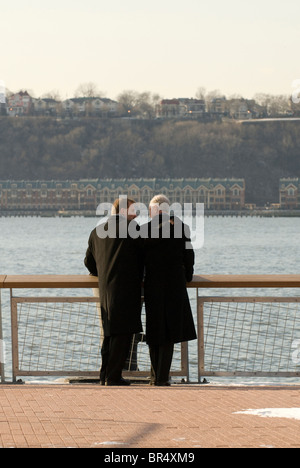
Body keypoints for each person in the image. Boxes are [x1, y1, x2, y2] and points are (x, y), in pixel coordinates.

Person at [84, 197, 144, 386]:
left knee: (109, 333)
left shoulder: (96, 231)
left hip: (105, 289)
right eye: (135, 211)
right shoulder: (133, 230)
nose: (136, 216)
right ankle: (113, 376)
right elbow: (143, 258)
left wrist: (101, 272)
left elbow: (88, 262)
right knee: (123, 334)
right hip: (126, 288)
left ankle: (104, 375)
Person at [143, 194, 197, 386]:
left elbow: (139, 260)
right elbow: (189, 256)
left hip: (152, 285)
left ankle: (154, 375)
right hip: (174, 285)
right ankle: (163, 377)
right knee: (169, 331)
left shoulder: (144, 230)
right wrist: (188, 276)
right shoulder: (182, 228)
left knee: (154, 330)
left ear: (153, 211)